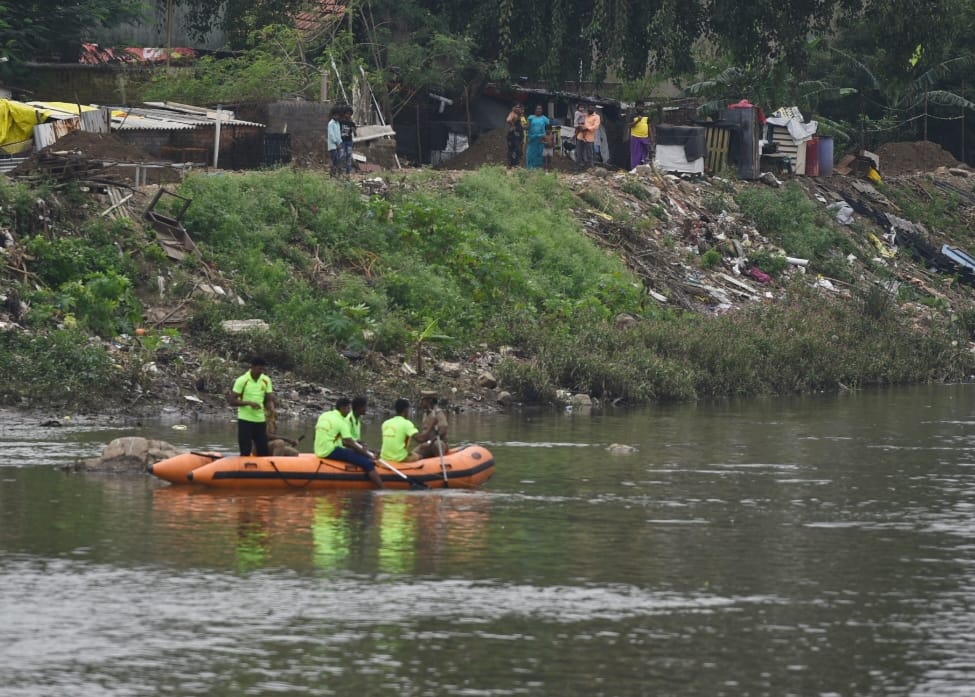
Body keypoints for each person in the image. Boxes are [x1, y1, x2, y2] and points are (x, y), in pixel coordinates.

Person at [315, 397, 384, 488]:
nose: (349, 411)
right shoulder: (342, 421)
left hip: (318, 449)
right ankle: (383, 489)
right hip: (330, 450)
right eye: (348, 408)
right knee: (368, 463)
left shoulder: (324, 415)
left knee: (358, 453)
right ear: (342, 408)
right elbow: (349, 443)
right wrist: (369, 455)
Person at [227, 357, 274, 457]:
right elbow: (232, 401)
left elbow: (269, 399)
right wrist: (249, 403)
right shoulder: (242, 380)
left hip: (260, 420)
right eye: (259, 369)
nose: (261, 372)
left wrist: (271, 411)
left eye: (263, 369)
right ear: (252, 367)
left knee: (263, 450)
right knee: (245, 450)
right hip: (245, 420)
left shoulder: (266, 380)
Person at [411, 390, 449, 460]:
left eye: (423, 400)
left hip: (437, 443)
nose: (421, 403)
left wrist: (430, 441)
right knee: (413, 453)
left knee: (437, 444)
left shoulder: (438, 413)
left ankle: (440, 462)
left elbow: (443, 429)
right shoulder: (425, 414)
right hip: (427, 444)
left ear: (429, 401)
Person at [380, 398, 420, 463]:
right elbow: (420, 439)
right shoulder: (407, 423)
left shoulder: (385, 423)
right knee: (417, 456)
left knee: (411, 452)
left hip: (384, 457)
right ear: (406, 410)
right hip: (399, 459)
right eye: (409, 409)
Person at [526, 105, 550, 170]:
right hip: (532, 138)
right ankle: (530, 168)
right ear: (535, 110)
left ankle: (539, 168)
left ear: (542, 110)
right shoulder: (531, 117)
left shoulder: (544, 118)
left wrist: (547, 138)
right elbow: (527, 127)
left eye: (540, 109)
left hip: (541, 139)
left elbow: (549, 127)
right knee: (531, 153)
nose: (539, 110)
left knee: (540, 153)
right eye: (537, 109)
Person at [629, 103, 653, 169]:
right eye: (639, 106)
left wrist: (651, 137)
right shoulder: (632, 115)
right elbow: (630, 125)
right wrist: (637, 121)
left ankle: (644, 168)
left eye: (642, 106)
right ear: (636, 107)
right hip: (635, 137)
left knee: (645, 153)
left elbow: (649, 127)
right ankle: (635, 169)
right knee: (636, 155)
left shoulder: (647, 115)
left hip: (645, 137)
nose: (641, 108)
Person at [506, 103, 525, 168]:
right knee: (514, 149)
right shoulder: (513, 114)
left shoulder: (521, 117)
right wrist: (513, 125)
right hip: (514, 135)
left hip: (519, 136)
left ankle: (515, 164)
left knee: (519, 150)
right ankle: (511, 164)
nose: (520, 110)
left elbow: (524, 125)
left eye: (521, 109)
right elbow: (508, 120)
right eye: (518, 108)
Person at [339, 106, 357, 175]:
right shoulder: (340, 122)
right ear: (344, 114)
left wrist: (354, 130)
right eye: (347, 113)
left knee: (349, 156)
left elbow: (355, 134)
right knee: (341, 155)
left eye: (349, 114)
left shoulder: (351, 123)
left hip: (349, 142)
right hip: (342, 141)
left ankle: (348, 172)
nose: (348, 115)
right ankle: (340, 171)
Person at [327, 106, 342, 176]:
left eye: (338, 115)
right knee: (335, 159)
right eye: (336, 115)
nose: (337, 117)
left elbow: (339, 134)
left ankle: (334, 174)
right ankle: (332, 174)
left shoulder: (338, 123)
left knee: (337, 160)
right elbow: (331, 135)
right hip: (332, 146)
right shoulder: (331, 123)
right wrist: (336, 143)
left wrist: (340, 142)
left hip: (338, 145)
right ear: (333, 115)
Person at [573, 103, 588, 170]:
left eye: (582, 107)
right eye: (580, 107)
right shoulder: (577, 113)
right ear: (578, 108)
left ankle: (582, 162)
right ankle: (579, 164)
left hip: (583, 125)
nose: (581, 108)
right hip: (579, 125)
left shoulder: (584, 113)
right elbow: (576, 120)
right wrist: (576, 125)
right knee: (579, 148)